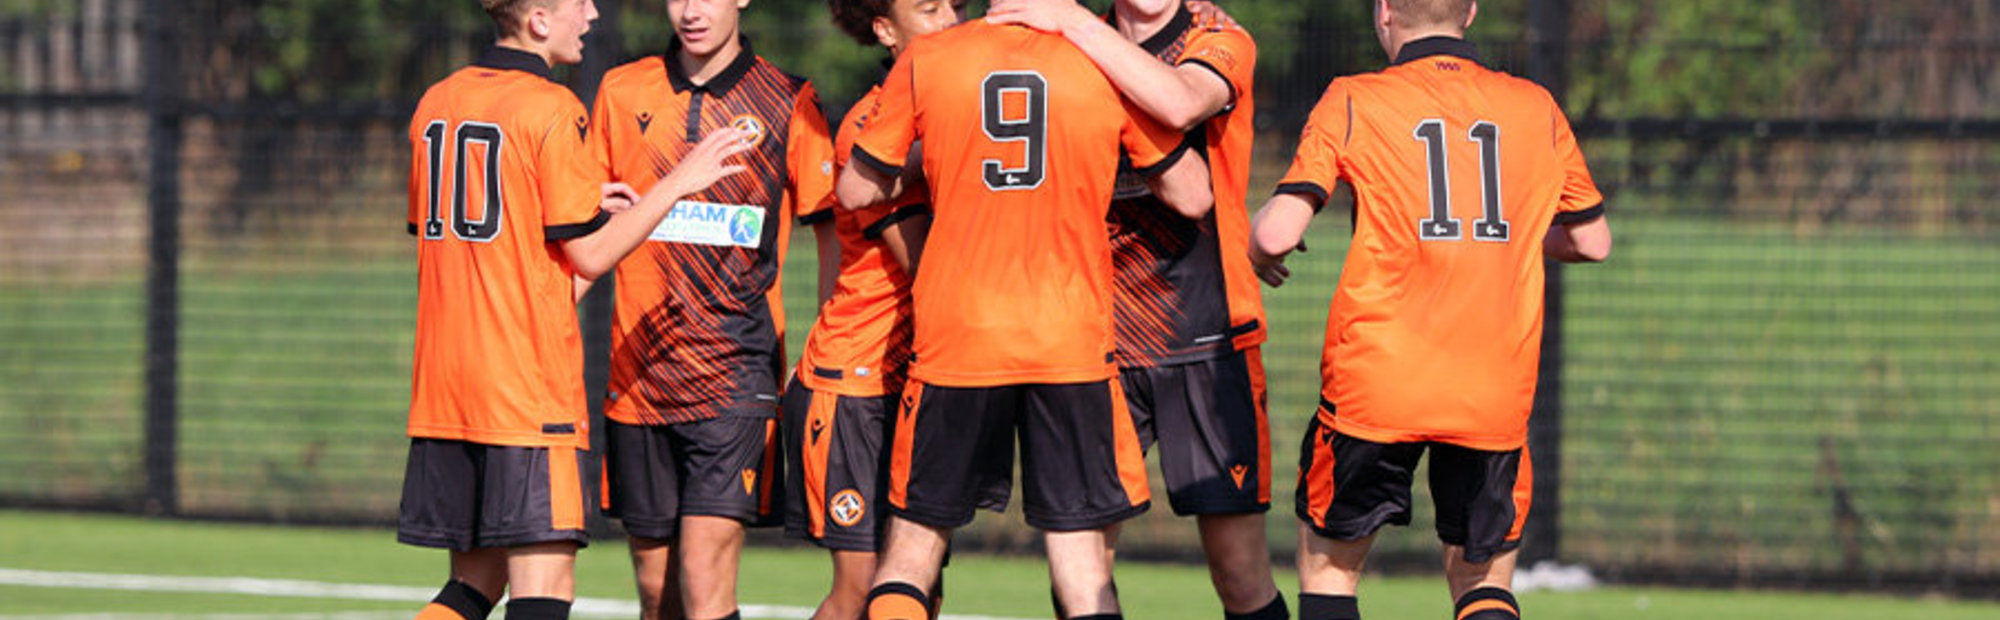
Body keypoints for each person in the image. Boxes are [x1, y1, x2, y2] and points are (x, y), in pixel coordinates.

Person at [835, 14, 1215, 620]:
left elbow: (855, 190)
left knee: (912, 549)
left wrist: (939, 155)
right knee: (1082, 564)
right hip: (1067, 340)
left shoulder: (930, 57)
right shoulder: (1101, 61)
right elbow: (1194, 194)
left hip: (958, 338)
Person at [1247, 2, 1612, 619]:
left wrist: (1256, 243)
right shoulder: (1535, 106)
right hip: (1491, 387)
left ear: (1384, 11)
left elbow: (1280, 232)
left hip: (1378, 383)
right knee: (1482, 582)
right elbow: (1590, 239)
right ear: (1469, 11)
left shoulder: (1355, 97)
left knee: (1331, 571)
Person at [399, 1, 750, 619]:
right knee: (546, 589)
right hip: (524, 390)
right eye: (577, 4)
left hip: (445, 390)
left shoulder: (438, 101)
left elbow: (505, 244)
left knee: (474, 584)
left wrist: (595, 205)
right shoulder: (553, 106)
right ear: (538, 19)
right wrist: (679, 181)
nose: (590, 14)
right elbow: (589, 256)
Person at [984, 2, 1282, 618]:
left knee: (1238, 571)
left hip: (1207, 335)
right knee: (1081, 563)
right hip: (1092, 340)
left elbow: (1179, 102)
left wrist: (1069, 21)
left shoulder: (1217, 37)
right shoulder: (1058, 46)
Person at [589, 0, 838, 618]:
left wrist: (828, 341)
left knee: (704, 581)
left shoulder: (786, 98)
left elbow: (829, 229)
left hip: (736, 376)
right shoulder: (622, 90)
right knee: (657, 593)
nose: (691, 10)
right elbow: (583, 214)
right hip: (639, 379)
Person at [779, 1, 963, 619]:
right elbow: (925, 264)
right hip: (852, 386)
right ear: (884, 31)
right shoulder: (873, 121)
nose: (950, 21)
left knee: (917, 589)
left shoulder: (954, 108)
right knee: (859, 592)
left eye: (958, 7)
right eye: (930, 8)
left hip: (915, 382)